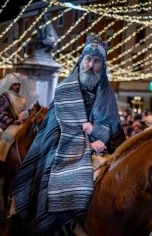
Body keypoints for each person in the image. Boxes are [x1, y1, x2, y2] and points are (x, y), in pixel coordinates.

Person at [12, 34, 125, 235]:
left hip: (103, 148)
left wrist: (100, 136)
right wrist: (87, 143)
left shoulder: (108, 95)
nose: (91, 65)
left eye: (97, 61)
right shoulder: (65, 89)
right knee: (50, 173)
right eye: (88, 59)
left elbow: (115, 129)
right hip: (61, 145)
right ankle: (57, 223)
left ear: (103, 66)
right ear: (81, 61)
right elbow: (57, 126)